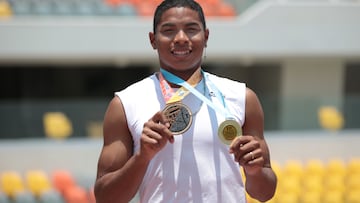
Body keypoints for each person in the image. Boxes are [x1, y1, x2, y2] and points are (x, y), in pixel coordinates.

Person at [94, 0, 277, 202]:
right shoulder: (125, 104)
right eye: (169, 30)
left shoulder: (242, 97)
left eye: (191, 29)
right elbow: (105, 197)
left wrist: (254, 171)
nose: (181, 38)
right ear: (153, 40)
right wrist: (142, 157)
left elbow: (265, 192)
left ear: (206, 37)